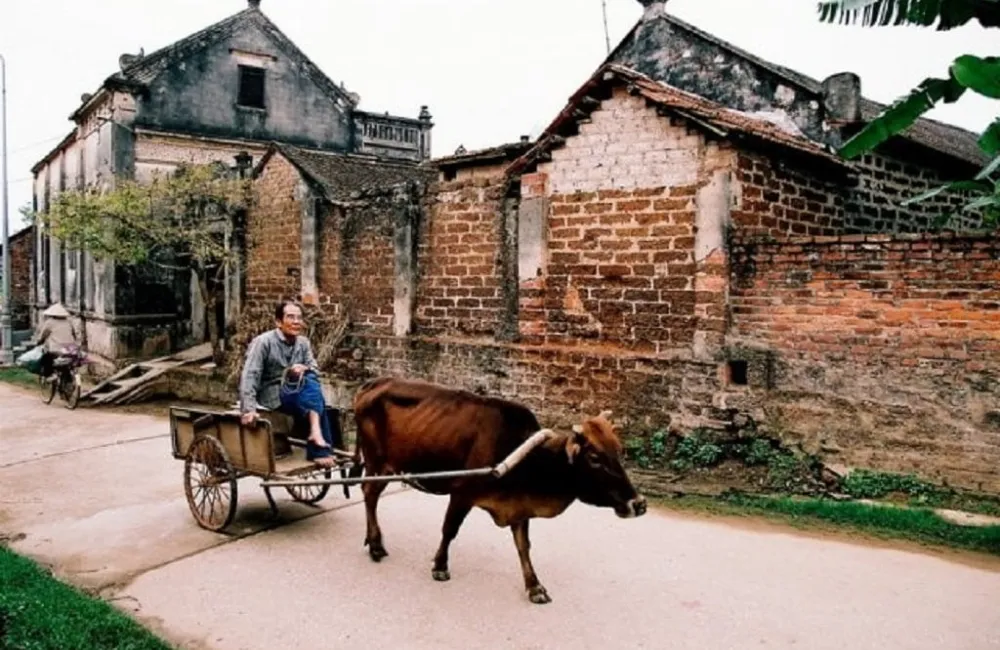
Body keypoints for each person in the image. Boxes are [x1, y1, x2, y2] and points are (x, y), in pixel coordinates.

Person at [238, 300, 336, 468]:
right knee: (314, 393)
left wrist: (303, 368)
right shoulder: (263, 342)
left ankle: (315, 432)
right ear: (278, 322)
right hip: (272, 394)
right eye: (291, 317)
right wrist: (249, 410)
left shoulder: (303, 343)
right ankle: (318, 444)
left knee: (311, 379)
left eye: (299, 318)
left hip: (296, 391)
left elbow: (314, 367)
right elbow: (250, 375)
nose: (296, 322)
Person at [32, 303, 79, 382]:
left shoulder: (49, 322)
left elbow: (43, 336)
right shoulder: (69, 322)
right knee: (69, 363)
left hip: (57, 349)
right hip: (71, 349)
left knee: (46, 357)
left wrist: (38, 342)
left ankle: (50, 375)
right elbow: (74, 334)